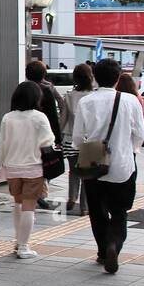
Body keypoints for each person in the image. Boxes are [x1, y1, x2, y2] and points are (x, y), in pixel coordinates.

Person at [74, 58, 144, 273]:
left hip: (93, 165)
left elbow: (78, 139)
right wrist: (128, 148)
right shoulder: (130, 101)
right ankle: (114, 244)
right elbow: (140, 135)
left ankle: (102, 251)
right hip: (123, 166)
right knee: (120, 211)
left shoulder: (86, 102)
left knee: (97, 211)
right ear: (117, 78)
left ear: (95, 76)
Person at [0, 81, 56, 259]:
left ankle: (18, 241)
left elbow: (1, 143)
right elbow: (48, 141)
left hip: (12, 169)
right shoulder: (39, 117)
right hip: (33, 168)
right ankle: (24, 247)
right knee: (29, 207)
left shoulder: (8, 117)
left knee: (18, 203)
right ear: (36, 98)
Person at [25, 60, 63, 210]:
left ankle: (33, 192)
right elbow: (53, 117)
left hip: (26, 134)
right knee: (46, 163)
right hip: (43, 135)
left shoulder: (22, 89)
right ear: (43, 74)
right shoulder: (46, 90)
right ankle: (39, 193)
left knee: (30, 163)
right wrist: (57, 138)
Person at [59, 61, 94, 214]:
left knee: (74, 170)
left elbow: (63, 119)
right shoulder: (94, 97)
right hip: (89, 140)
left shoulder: (69, 96)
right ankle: (85, 207)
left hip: (70, 139)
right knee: (87, 174)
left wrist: (58, 137)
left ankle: (72, 197)